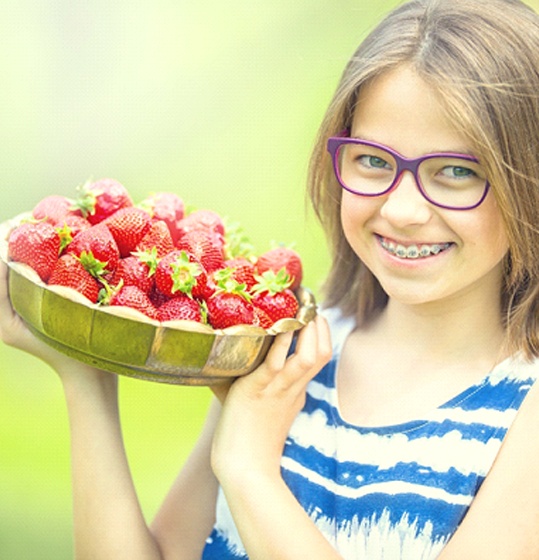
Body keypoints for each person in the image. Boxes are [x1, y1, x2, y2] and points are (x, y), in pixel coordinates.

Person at [2, 0, 539, 557]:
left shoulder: (524, 410)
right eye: (374, 161)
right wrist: (85, 370)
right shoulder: (289, 353)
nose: (402, 209)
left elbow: (246, 466)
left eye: (457, 171)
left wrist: (250, 470)